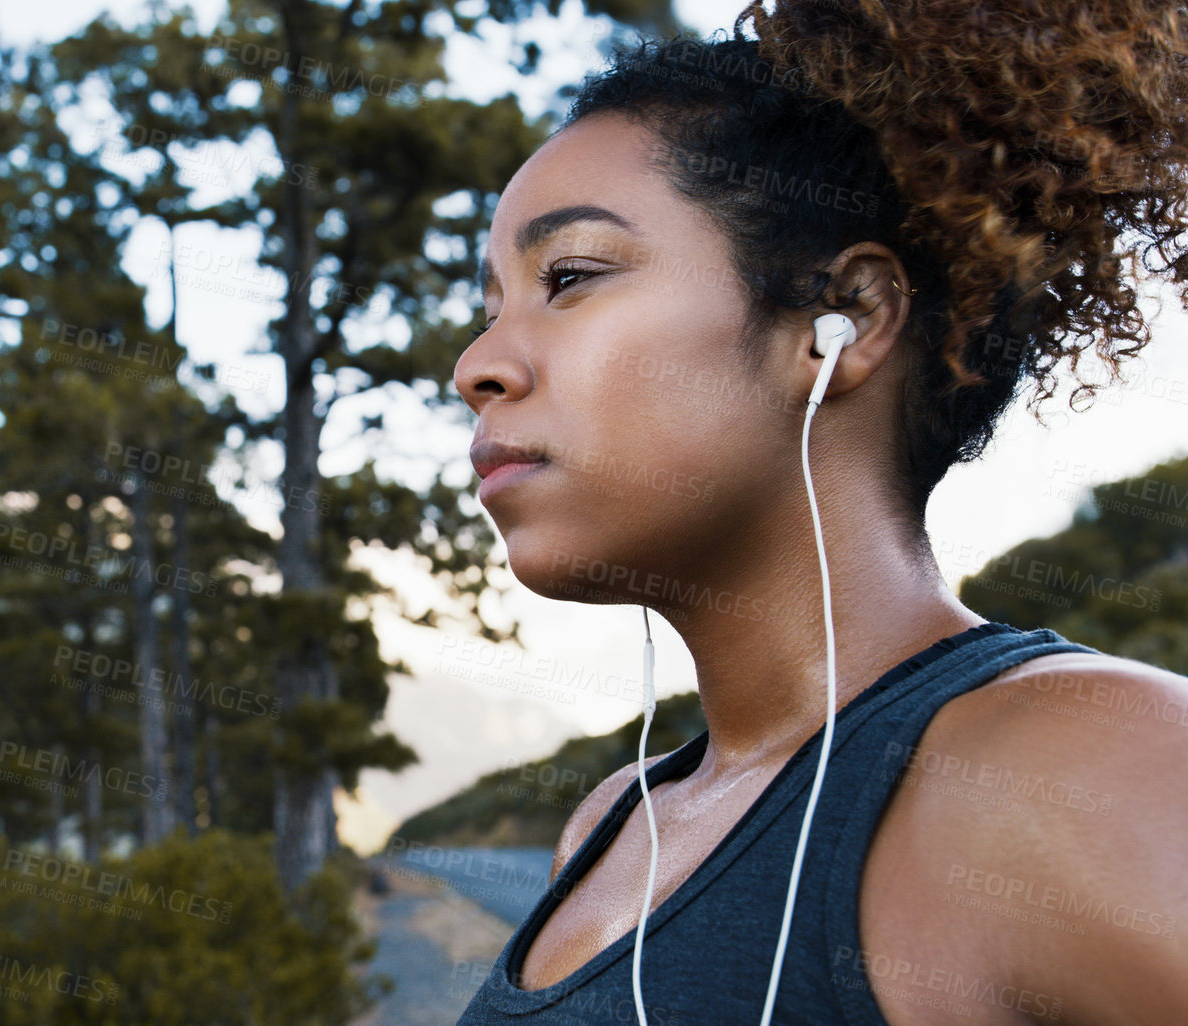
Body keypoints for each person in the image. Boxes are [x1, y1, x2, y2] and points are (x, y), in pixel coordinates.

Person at [451, 1, 1188, 1023]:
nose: (476, 366)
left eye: (569, 276)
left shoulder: (1085, 768)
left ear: (841, 325)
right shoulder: (614, 829)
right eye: (489, 306)